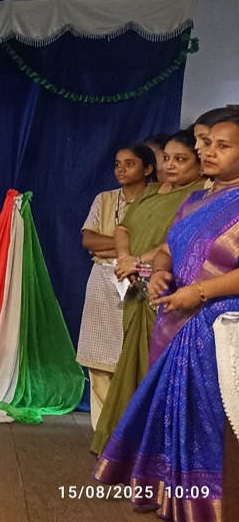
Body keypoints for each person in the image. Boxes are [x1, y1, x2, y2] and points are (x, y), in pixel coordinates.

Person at [94, 116, 239, 520]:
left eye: (223, 146)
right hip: (174, 317)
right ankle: (168, 495)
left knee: (206, 420)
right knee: (173, 412)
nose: (208, 152)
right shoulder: (193, 202)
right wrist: (159, 272)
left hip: (217, 328)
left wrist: (200, 292)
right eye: (207, 143)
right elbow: (168, 250)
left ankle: (207, 504)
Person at [95, 131, 208, 453]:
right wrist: (125, 258)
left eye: (180, 159)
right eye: (166, 158)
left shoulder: (198, 196)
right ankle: (119, 444)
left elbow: (174, 241)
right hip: (134, 286)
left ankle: (149, 449)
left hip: (165, 288)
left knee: (152, 366)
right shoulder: (151, 191)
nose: (169, 165)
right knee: (130, 363)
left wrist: (139, 262)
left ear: (199, 164)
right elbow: (123, 228)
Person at [76, 144, 155, 431]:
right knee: (98, 362)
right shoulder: (105, 199)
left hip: (140, 279)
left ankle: (128, 435)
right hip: (102, 280)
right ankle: (103, 434)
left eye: (129, 164)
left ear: (148, 168)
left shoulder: (156, 201)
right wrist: (125, 247)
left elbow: (156, 247)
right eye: (117, 164)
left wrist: (115, 248)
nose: (121, 169)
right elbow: (89, 241)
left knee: (133, 359)